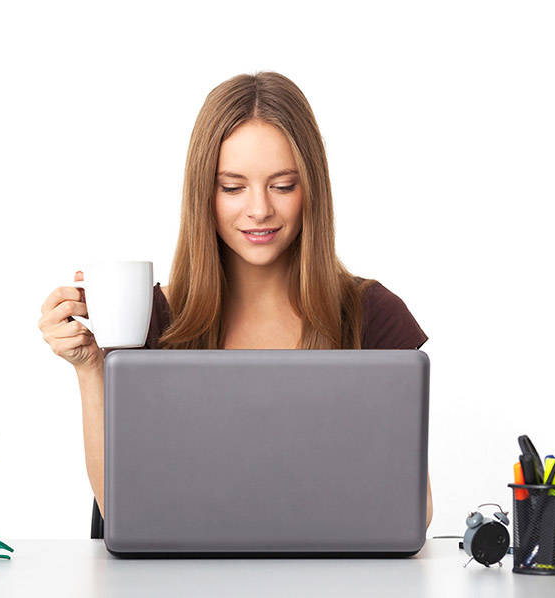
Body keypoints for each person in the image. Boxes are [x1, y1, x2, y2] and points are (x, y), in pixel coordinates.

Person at [38, 71, 432, 539]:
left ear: (313, 191)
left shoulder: (372, 315)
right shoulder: (153, 319)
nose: (259, 209)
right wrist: (90, 368)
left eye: (283, 185)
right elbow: (120, 512)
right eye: (232, 187)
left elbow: (413, 510)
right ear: (204, 192)